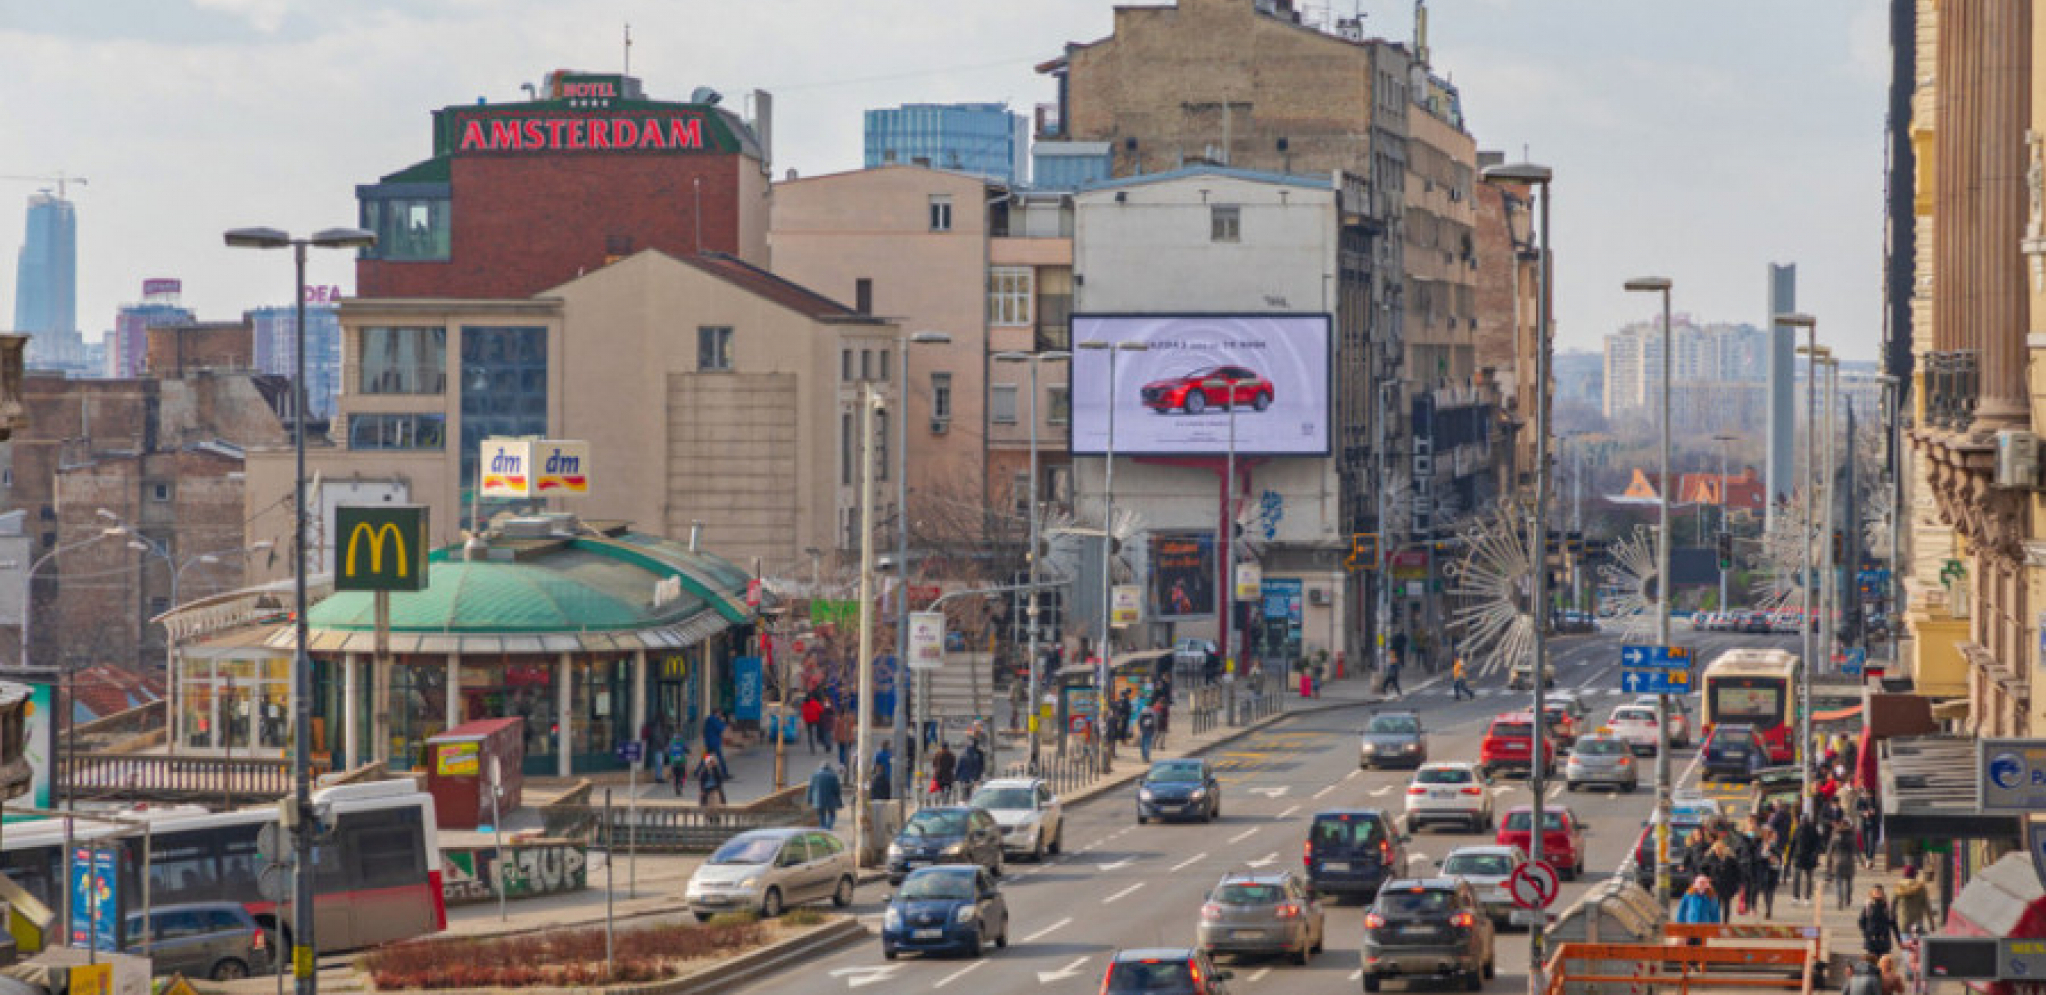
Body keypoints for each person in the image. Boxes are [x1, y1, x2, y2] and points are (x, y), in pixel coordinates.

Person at [1702, 840, 1746, 919]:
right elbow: (1702, 868)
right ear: (1714, 849)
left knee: (1726, 903)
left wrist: (1739, 882)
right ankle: (1716, 921)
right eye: (1717, 848)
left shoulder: (1730, 858)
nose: (1718, 850)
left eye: (1720, 848)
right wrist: (1707, 877)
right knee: (1716, 904)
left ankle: (1726, 922)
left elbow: (1738, 870)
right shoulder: (1710, 858)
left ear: (1723, 849)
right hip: (1715, 884)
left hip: (1727, 884)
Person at [1827, 817, 1860, 911]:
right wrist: (1862, 861)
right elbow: (1857, 850)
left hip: (1838, 862)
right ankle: (1848, 898)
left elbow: (1829, 852)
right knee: (1849, 882)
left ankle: (1839, 899)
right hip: (1850, 861)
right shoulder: (1852, 837)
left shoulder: (1835, 836)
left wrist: (1828, 864)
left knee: (1838, 883)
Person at [1789, 816, 1823, 906]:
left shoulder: (1808, 830)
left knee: (1804, 878)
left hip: (1804, 857)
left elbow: (1793, 843)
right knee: (1801, 878)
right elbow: (1793, 843)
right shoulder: (1802, 829)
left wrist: (1815, 854)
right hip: (1802, 857)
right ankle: (1800, 897)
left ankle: (1803, 897)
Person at [1859, 886, 1900, 958]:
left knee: (1884, 965)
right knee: (1872, 965)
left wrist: (1899, 940)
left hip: (1884, 941)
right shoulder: (1868, 906)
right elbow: (1861, 921)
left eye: (1879, 892)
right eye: (1876, 892)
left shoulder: (1887, 907)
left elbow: (1893, 924)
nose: (1878, 893)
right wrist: (1866, 934)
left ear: (1883, 893)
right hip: (1871, 941)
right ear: (1872, 893)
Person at [1893, 866, 1934, 935]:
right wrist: (1931, 923)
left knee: (1906, 943)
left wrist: (1893, 918)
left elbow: (1893, 904)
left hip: (1903, 921)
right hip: (1917, 921)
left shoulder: (1898, 887)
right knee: (1919, 942)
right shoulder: (1921, 888)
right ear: (1915, 875)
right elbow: (1927, 906)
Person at [807, 761, 843, 830]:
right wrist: (838, 798)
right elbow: (837, 789)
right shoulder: (833, 776)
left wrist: (809, 799)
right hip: (831, 800)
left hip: (818, 799)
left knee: (821, 815)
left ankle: (823, 828)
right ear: (829, 768)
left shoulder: (814, 775)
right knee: (832, 814)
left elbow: (810, 788)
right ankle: (828, 827)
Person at [1856, 790, 1881, 869]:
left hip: (1873, 824)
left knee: (1871, 842)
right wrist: (1863, 813)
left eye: (1869, 794)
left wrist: (1874, 812)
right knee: (1865, 843)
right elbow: (1857, 810)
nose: (1868, 796)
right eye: (1867, 794)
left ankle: (1869, 860)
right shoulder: (1860, 799)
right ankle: (1868, 858)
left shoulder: (1875, 799)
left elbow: (1878, 810)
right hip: (1863, 823)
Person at [703, 710, 731, 781]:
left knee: (707, 757)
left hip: (709, 741)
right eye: (719, 714)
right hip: (714, 742)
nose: (720, 715)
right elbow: (721, 728)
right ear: (716, 713)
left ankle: (697, 772)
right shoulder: (714, 720)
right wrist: (723, 721)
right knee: (720, 758)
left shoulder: (709, 720)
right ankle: (725, 774)